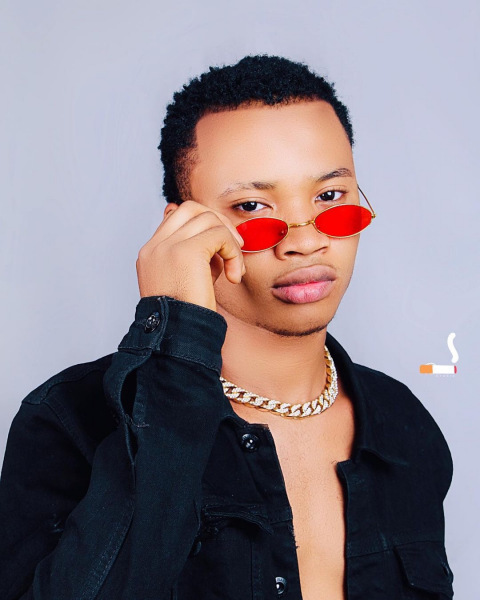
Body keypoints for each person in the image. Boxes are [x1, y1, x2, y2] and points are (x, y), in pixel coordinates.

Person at [0, 55, 454, 600]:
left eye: (331, 198)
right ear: (183, 228)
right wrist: (175, 336)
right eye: (252, 206)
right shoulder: (70, 421)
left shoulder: (404, 426)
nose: (305, 241)